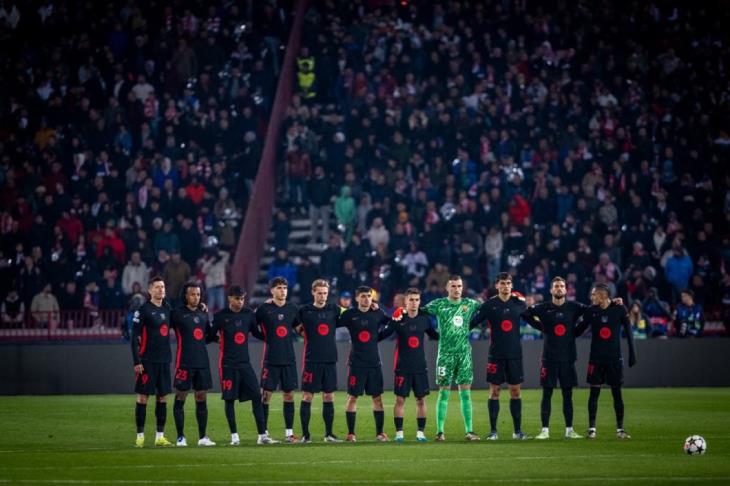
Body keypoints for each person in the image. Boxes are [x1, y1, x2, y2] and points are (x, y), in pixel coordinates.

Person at [521, 276, 587, 439]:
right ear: (551, 290)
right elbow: (525, 314)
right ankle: (545, 431)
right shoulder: (543, 308)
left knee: (568, 395)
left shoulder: (574, 307)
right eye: (556, 286)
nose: (559, 288)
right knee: (547, 394)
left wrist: (578, 329)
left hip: (568, 359)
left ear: (566, 290)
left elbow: (593, 312)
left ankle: (569, 430)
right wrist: (541, 327)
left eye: (562, 286)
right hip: (549, 358)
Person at [210, 285, 277, 445]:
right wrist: (220, 340)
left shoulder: (248, 314)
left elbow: (256, 332)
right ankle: (234, 436)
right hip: (227, 364)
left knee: (256, 395)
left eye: (242, 299)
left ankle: (262, 435)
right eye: (237, 299)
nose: (240, 302)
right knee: (229, 399)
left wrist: (272, 337)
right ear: (230, 298)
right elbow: (211, 335)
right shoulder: (220, 316)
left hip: (244, 363)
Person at [421, 275, 481, 441]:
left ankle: (469, 431)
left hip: (464, 355)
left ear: (463, 287)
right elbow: (419, 311)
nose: (457, 289)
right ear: (447, 288)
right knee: (444, 392)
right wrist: (403, 311)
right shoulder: (439, 304)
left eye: (459, 286)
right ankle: (440, 432)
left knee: (465, 392)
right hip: (445, 356)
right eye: (453, 286)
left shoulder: (470, 304)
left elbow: (488, 308)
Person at [470, 272, 530, 440]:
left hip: (514, 355)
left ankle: (517, 431)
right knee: (494, 391)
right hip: (495, 355)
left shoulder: (519, 304)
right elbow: (473, 322)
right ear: (496, 286)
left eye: (508, 283)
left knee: (515, 392)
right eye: (502, 283)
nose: (505, 286)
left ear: (512, 285)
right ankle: (493, 432)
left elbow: (532, 319)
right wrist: (456, 332)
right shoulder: (489, 305)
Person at [575, 283, 637, 439]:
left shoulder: (619, 309)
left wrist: (632, 354)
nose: (591, 297)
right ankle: (591, 430)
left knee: (617, 394)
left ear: (602, 296)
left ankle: (620, 430)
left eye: (594, 294)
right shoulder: (591, 311)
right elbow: (578, 330)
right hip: (596, 359)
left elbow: (629, 333)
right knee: (594, 394)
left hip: (614, 359)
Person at [381, 288, 439, 442]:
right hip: (402, 367)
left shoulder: (424, 319)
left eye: (417, 300)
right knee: (400, 400)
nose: (414, 303)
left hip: (420, 367)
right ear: (405, 302)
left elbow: (435, 335)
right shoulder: (399, 319)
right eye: (411, 300)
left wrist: (451, 334)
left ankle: (420, 432)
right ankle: (399, 433)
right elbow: (384, 334)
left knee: (421, 400)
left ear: (420, 302)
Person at [337, 286, 390, 441]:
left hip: (374, 363)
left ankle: (380, 433)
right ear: (357, 298)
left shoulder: (377, 313)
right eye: (363, 296)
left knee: (377, 398)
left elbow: (392, 324)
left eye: (369, 296)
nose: (367, 299)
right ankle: (351, 433)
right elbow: (333, 322)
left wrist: (377, 338)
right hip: (356, 363)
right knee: (352, 397)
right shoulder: (350, 315)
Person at [294, 279, 342, 443]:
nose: (322, 296)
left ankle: (329, 434)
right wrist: (302, 334)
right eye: (320, 293)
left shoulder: (334, 309)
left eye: (325, 293)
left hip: (329, 359)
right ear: (313, 292)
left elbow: (350, 315)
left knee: (328, 396)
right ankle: (305, 435)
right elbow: (293, 324)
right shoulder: (304, 310)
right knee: (307, 396)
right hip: (311, 359)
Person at [255, 277, 300, 442]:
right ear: (272, 290)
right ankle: (263, 434)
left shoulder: (292, 309)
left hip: (288, 359)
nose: (283, 291)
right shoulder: (264, 309)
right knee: (266, 396)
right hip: (271, 359)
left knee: (289, 395)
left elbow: (300, 328)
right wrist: (264, 337)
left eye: (285, 288)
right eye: (279, 288)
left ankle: (289, 433)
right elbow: (252, 325)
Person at [130, 276, 173, 447]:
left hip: (164, 361)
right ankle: (140, 436)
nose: (161, 289)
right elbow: (134, 338)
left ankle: (159, 436)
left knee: (162, 398)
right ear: (150, 291)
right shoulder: (143, 310)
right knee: (143, 398)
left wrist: (200, 307)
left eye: (162, 286)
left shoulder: (168, 308)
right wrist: (136, 361)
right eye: (157, 287)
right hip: (147, 361)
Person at [170, 282, 215, 446]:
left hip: (202, 362)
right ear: (185, 296)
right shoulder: (176, 314)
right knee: (181, 396)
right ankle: (180, 437)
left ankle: (202, 437)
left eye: (198, 294)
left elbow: (209, 336)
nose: (195, 297)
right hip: (184, 362)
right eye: (192, 294)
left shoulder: (203, 314)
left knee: (201, 397)